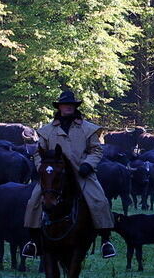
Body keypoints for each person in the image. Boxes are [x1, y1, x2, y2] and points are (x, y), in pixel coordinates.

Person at [21, 91, 116, 259]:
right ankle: (33, 241)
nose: (68, 107)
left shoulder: (88, 129)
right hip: (54, 176)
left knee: (99, 200)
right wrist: (42, 169)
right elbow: (38, 153)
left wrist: (88, 164)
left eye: (71, 105)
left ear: (75, 107)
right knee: (34, 201)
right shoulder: (47, 131)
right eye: (65, 105)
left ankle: (106, 240)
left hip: (82, 173)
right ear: (59, 107)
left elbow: (96, 150)